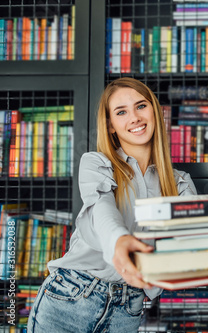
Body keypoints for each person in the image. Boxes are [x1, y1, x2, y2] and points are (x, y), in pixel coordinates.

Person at [27, 77, 199, 332]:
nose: (135, 118)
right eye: (121, 112)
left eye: (141, 106)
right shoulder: (96, 163)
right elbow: (101, 206)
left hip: (128, 309)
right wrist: (119, 241)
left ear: (154, 110)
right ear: (110, 125)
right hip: (70, 297)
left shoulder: (181, 184)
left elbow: (192, 236)